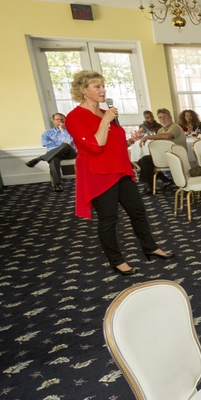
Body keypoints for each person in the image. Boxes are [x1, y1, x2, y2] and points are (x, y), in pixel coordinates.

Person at [64, 71, 172, 275]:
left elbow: (112, 142)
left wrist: (130, 141)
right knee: (109, 218)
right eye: (97, 86)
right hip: (98, 173)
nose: (103, 90)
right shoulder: (75, 117)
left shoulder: (106, 113)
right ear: (83, 90)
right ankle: (116, 260)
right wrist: (105, 120)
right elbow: (96, 145)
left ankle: (149, 247)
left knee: (138, 211)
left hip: (119, 169)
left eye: (103, 86)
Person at [137, 108, 187, 191]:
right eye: (160, 117)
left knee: (144, 161)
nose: (162, 119)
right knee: (143, 161)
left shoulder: (175, 126)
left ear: (170, 117)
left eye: (165, 117)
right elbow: (157, 143)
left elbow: (168, 136)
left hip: (176, 156)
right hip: (165, 155)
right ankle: (161, 181)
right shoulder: (160, 130)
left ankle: (152, 184)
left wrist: (147, 136)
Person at [26, 112, 77, 191]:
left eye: (62, 119)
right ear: (53, 121)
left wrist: (62, 130)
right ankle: (57, 185)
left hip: (69, 153)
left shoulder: (71, 130)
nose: (59, 121)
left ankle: (39, 159)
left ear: (65, 120)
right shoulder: (47, 133)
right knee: (53, 158)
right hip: (55, 153)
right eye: (57, 119)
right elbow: (45, 143)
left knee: (65, 146)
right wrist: (61, 144)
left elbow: (70, 142)